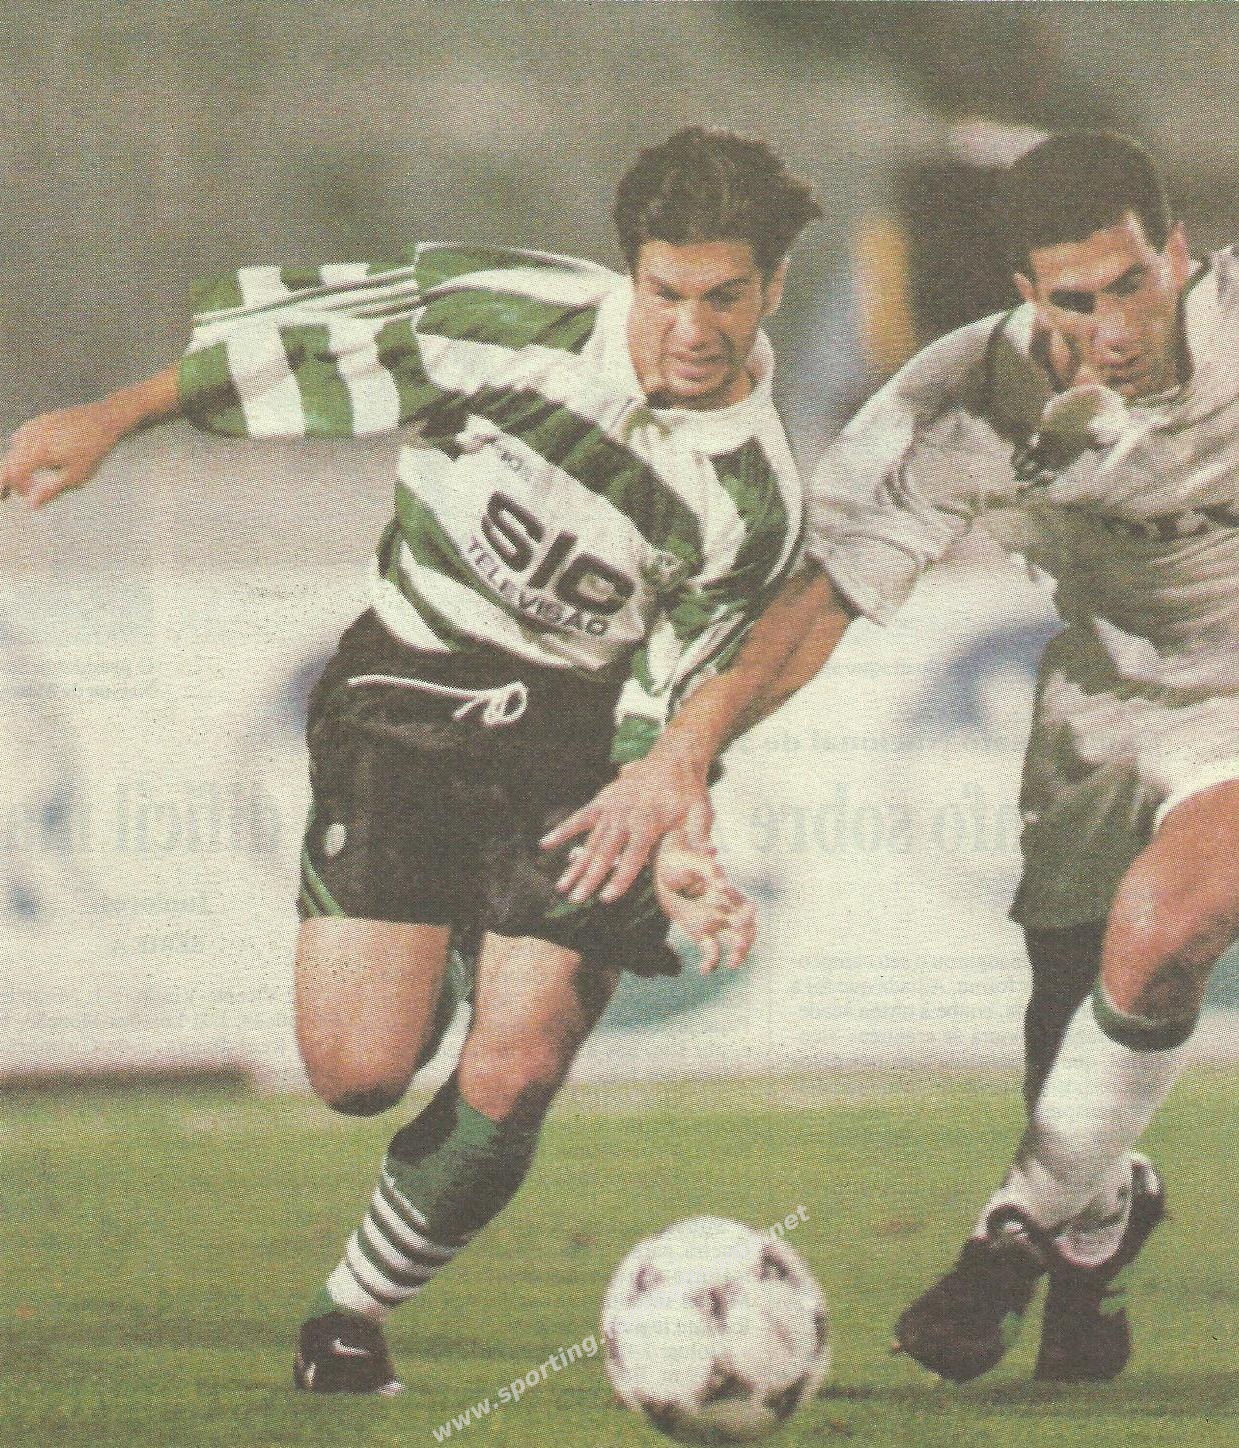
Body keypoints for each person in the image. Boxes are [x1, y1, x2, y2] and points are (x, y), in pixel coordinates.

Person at [1, 127, 822, 1394]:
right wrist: (112, 421)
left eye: (725, 296)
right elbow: (300, 350)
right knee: (358, 1071)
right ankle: (443, 942)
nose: (692, 328)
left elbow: (675, 710)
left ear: (773, 286)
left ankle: (349, 1313)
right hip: (411, 689)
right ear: (631, 273)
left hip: (576, 748)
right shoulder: (511, 313)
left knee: (517, 1059)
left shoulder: (757, 497)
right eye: (666, 292)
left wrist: (677, 837)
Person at [546, 131, 1239, 1384]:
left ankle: (1003, 1241)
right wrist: (684, 751)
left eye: (1134, 283)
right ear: (1027, 293)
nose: (1115, 328)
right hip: (1109, 701)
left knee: (1162, 923)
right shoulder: (963, 400)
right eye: (1075, 300)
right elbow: (817, 600)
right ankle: (1096, 1228)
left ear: (1179, 252)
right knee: (1072, 1000)